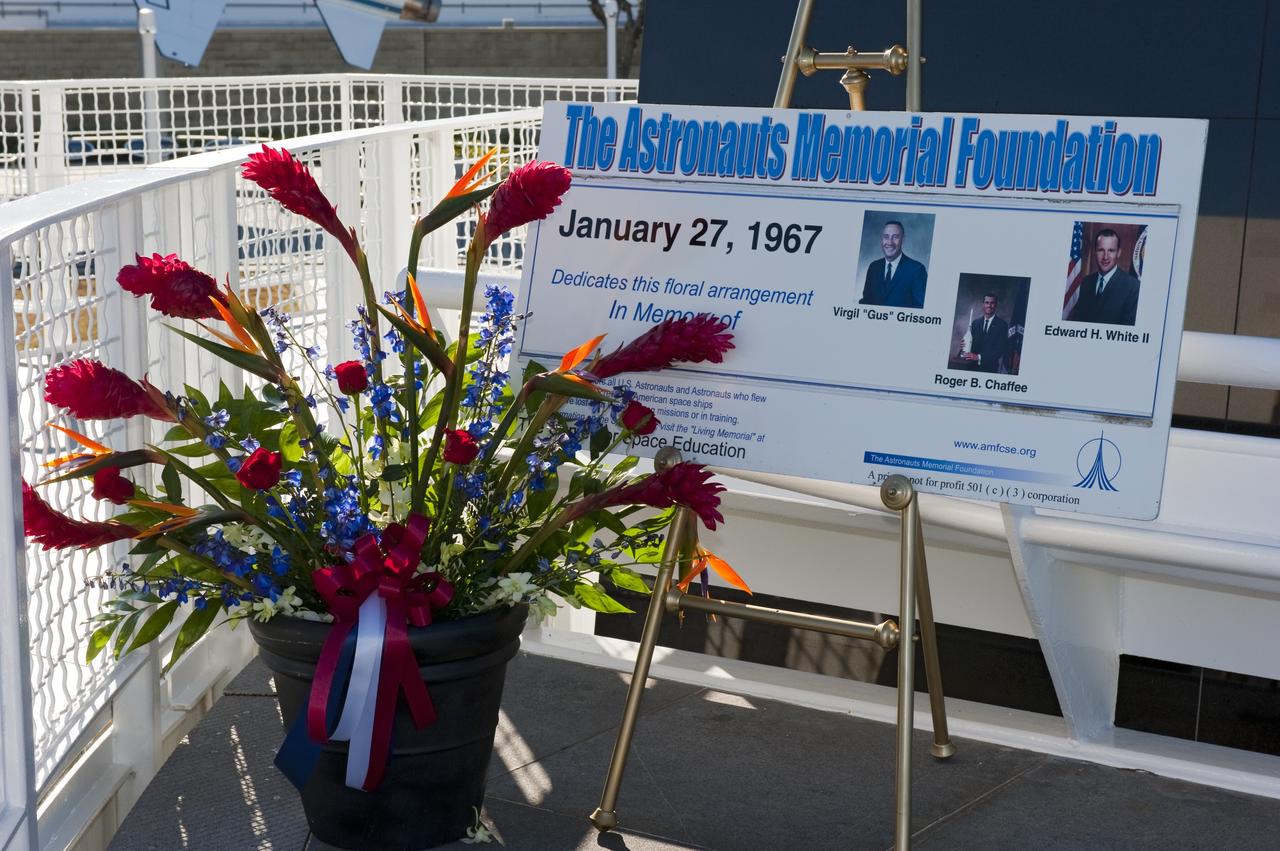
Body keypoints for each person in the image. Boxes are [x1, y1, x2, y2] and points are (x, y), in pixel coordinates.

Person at [1068, 228, 1139, 326]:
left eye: (1111, 250)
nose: (1105, 257)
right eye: (1101, 250)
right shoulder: (1085, 283)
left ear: (1118, 253)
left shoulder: (1133, 287)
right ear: (1095, 252)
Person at [859, 220, 928, 308]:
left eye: (895, 237)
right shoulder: (874, 267)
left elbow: (921, 308)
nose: (890, 242)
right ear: (882, 239)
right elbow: (866, 302)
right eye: (886, 237)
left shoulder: (917, 270)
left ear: (903, 240)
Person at [959, 293, 1008, 373]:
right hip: (971, 367)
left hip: (989, 369)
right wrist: (964, 347)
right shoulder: (975, 323)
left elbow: (1000, 350)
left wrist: (978, 357)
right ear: (983, 304)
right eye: (987, 303)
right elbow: (971, 347)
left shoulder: (1002, 325)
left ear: (996, 305)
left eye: (992, 303)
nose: (989, 305)